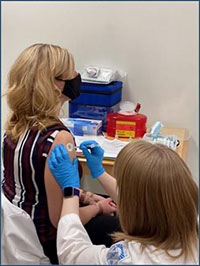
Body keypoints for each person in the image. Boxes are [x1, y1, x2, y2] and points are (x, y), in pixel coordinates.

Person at [2, 43, 119, 264]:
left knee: (109, 203)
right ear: (54, 85)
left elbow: (39, 187)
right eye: (72, 72)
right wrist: (96, 208)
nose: (77, 76)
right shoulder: (59, 139)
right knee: (125, 226)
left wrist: (85, 195)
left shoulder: (14, 124)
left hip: (22, 228)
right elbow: (60, 220)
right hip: (49, 238)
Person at [48, 140, 198, 264]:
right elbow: (140, 198)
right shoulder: (191, 225)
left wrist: (71, 190)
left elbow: (72, 254)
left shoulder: (130, 258)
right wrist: (100, 172)